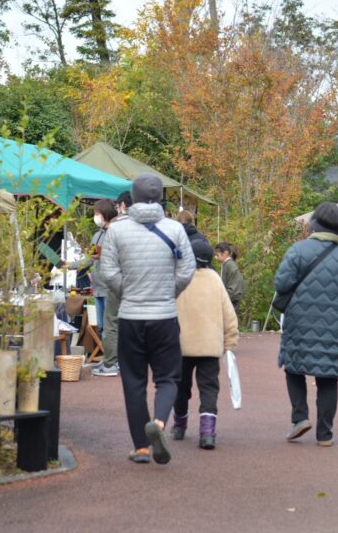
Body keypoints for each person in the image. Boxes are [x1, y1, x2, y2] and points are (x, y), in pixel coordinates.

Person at [96, 173, 195, 465]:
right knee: (168, 377)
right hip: (164, 315)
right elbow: (187, 269)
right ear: (161, 198)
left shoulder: (116, 231)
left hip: (131, 317)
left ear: (132, 198)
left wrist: (130, 293)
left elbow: (108, 272)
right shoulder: (175, 228)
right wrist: (167, 291)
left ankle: (141, 447)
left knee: (133, 381)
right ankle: (160, 423)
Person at [274, 202, 338, 447]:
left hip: (299, 323)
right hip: (335, 327)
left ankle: (300, 418)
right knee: (328, 377)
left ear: (314, 224)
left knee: (293, 368)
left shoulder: (298, 250)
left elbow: (281, 284)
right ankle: (325, 434)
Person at [170, 235, 239, 449]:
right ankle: (207, 433)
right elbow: (229, 315)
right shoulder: (215, 280)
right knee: (209, 388)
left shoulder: (179, 278)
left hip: (181, 345)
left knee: (181, 387)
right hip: (210, 346)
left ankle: (180, 425)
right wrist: (230, 342)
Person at [92, 191, 136, 378]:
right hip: (112, 284)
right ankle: (114, 359)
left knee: (110, 324)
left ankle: (111, 363)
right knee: (109, 324)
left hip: (114, 283)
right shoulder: (100, 234)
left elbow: (114, 259)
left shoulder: (118, 229)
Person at [87, 199, 117, 334]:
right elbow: (89, 259)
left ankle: (112, 355)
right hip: (97, 287)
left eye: (97, 213)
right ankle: (106, 353)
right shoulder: (97, 235)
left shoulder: (116, 232)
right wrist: (71, 265)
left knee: (110, 328)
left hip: (110, 287)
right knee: (101, 327)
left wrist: (102, 255)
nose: (96, 217)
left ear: (105, 213)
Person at [214, 242, 244, 312]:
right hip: (227, 302)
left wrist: (220, 299)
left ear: (225, 253)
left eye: (217, 255)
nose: (215, 257)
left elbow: (234, 290)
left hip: (231, 304)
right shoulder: (226, 265)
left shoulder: (230, 266)